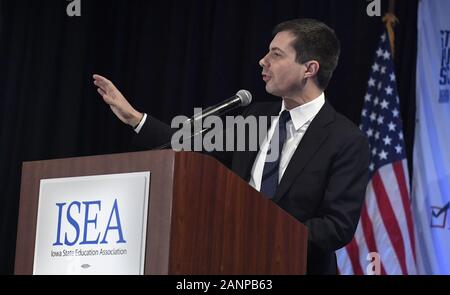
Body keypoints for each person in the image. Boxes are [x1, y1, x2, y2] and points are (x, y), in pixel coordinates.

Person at [93, 18, 369, 274]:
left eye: (276, 54)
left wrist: (259, 231)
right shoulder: (256, 117)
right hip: (231, 266)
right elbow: (191, 148)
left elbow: (336, 227)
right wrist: (135, 118)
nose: (263, 61)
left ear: (309, 68)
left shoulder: (345, 139)